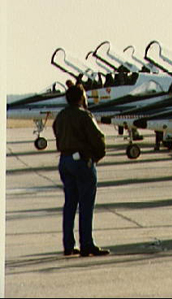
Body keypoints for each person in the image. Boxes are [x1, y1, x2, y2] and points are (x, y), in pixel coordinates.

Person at [52, 84, 110, 257]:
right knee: (86, 204)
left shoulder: (61, 116)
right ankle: (87, 244)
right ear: (80, 98)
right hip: (81, 162)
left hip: (65, 160)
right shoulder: (84, 116)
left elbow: (57, 132)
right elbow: (98, 138)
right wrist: (95, 157)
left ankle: (68, 244)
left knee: (70, 203)